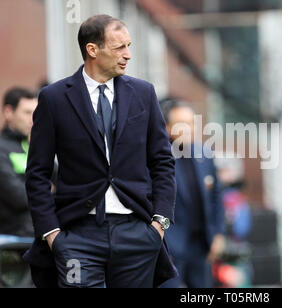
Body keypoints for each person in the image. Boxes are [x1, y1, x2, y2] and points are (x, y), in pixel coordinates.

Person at [24, 15, 176, 288]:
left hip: (137, 234)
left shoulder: (144, 93)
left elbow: (163, 162)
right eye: (119, 48)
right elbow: (37, 173)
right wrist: (52, 234)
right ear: (93, 50)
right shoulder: (54, 98)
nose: (128, 55)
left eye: (129, 46)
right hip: (76, 237)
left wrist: (160, 224)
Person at [159, 98, 225, 288]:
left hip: (201, 246)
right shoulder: (156, 157)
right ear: (167, 126)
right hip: (169, 248)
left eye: (192, 123)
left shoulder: (203, 154)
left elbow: (216, 197)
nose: (190, 129)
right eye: (183, 124)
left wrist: (218, 234)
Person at [0, 87, 37, 237]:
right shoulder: (2, 148)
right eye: (27, 112)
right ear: (8, 112)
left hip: (43, 228)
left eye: (35, 113)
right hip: (16, 233)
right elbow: (20, 198)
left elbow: (62, 183)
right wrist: (46, 188)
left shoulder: (34, 146)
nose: (33, 119)